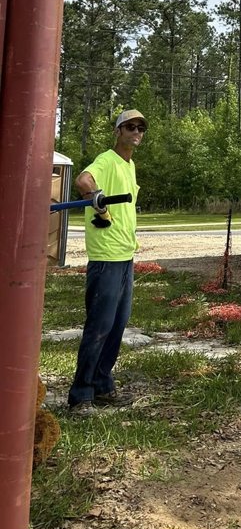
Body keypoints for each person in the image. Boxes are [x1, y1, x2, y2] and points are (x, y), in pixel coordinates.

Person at [67, 109, 146, 416]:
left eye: (140, 128)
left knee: (117, 325)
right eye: (130, 126)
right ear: (118, 131)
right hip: (106, 257)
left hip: (125, 256)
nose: (136, 131)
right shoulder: (107, 160)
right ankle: (81, 396)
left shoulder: (130, 164)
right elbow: (83, 179)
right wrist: (97, 197)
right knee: (99, 327)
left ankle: (101, 384)